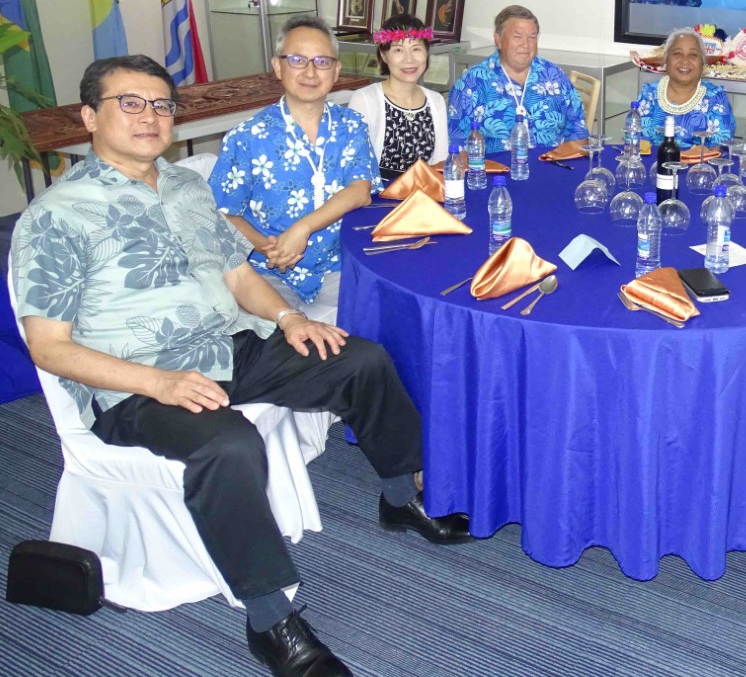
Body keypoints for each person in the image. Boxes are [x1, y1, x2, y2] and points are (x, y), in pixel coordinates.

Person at [11, 54, 473, 677]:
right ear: (90, 116)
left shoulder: (185, 188)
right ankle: (269, 621)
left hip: (229, 346)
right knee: (228, 443)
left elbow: (238, 275)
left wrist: (289, 319)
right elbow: (49, 348)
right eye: (131, 103)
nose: (151, 117)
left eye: (161, 105)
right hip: (135, 383)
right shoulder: (56, 216)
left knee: (359, 358)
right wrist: (160, 382)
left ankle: (400, 496)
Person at [209, 14, 379, 322]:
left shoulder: (351, 125)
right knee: (282, 351)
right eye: (298, 60)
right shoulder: (247, 136)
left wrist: (301, 229)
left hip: (337, 263)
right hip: (267, 267)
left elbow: (360, 191)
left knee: (374, 331)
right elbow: (222, 213)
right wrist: (272, 248)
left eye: (322, 62)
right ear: (278, 66)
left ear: (337, 70)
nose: (310, 72)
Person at [447, 4, 589, 151]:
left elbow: (579, 139)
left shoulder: (555, 77)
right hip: (494, 171)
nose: (526, 44)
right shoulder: (472, 84)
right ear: (498, 39)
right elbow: (457, 149)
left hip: (553, 167)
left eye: (532, 37)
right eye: (517, 37)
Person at [347, 14, 449, 180]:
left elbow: (440, 162)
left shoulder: (435, 100)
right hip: (377, 197)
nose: (409, 59)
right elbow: (355, 169)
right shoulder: (365, 100)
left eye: (416, 49)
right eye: (398, 50)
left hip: (423, 194)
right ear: (384, 55)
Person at [636, 27, 735, 148]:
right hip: (653, 165)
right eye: (677, 54)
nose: (685, 61)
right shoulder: (649, 94)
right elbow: (634, 142)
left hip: (699, 166)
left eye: (693, 55)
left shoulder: (716, 97)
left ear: (703, 63)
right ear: (666, 60)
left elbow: (721, 146)